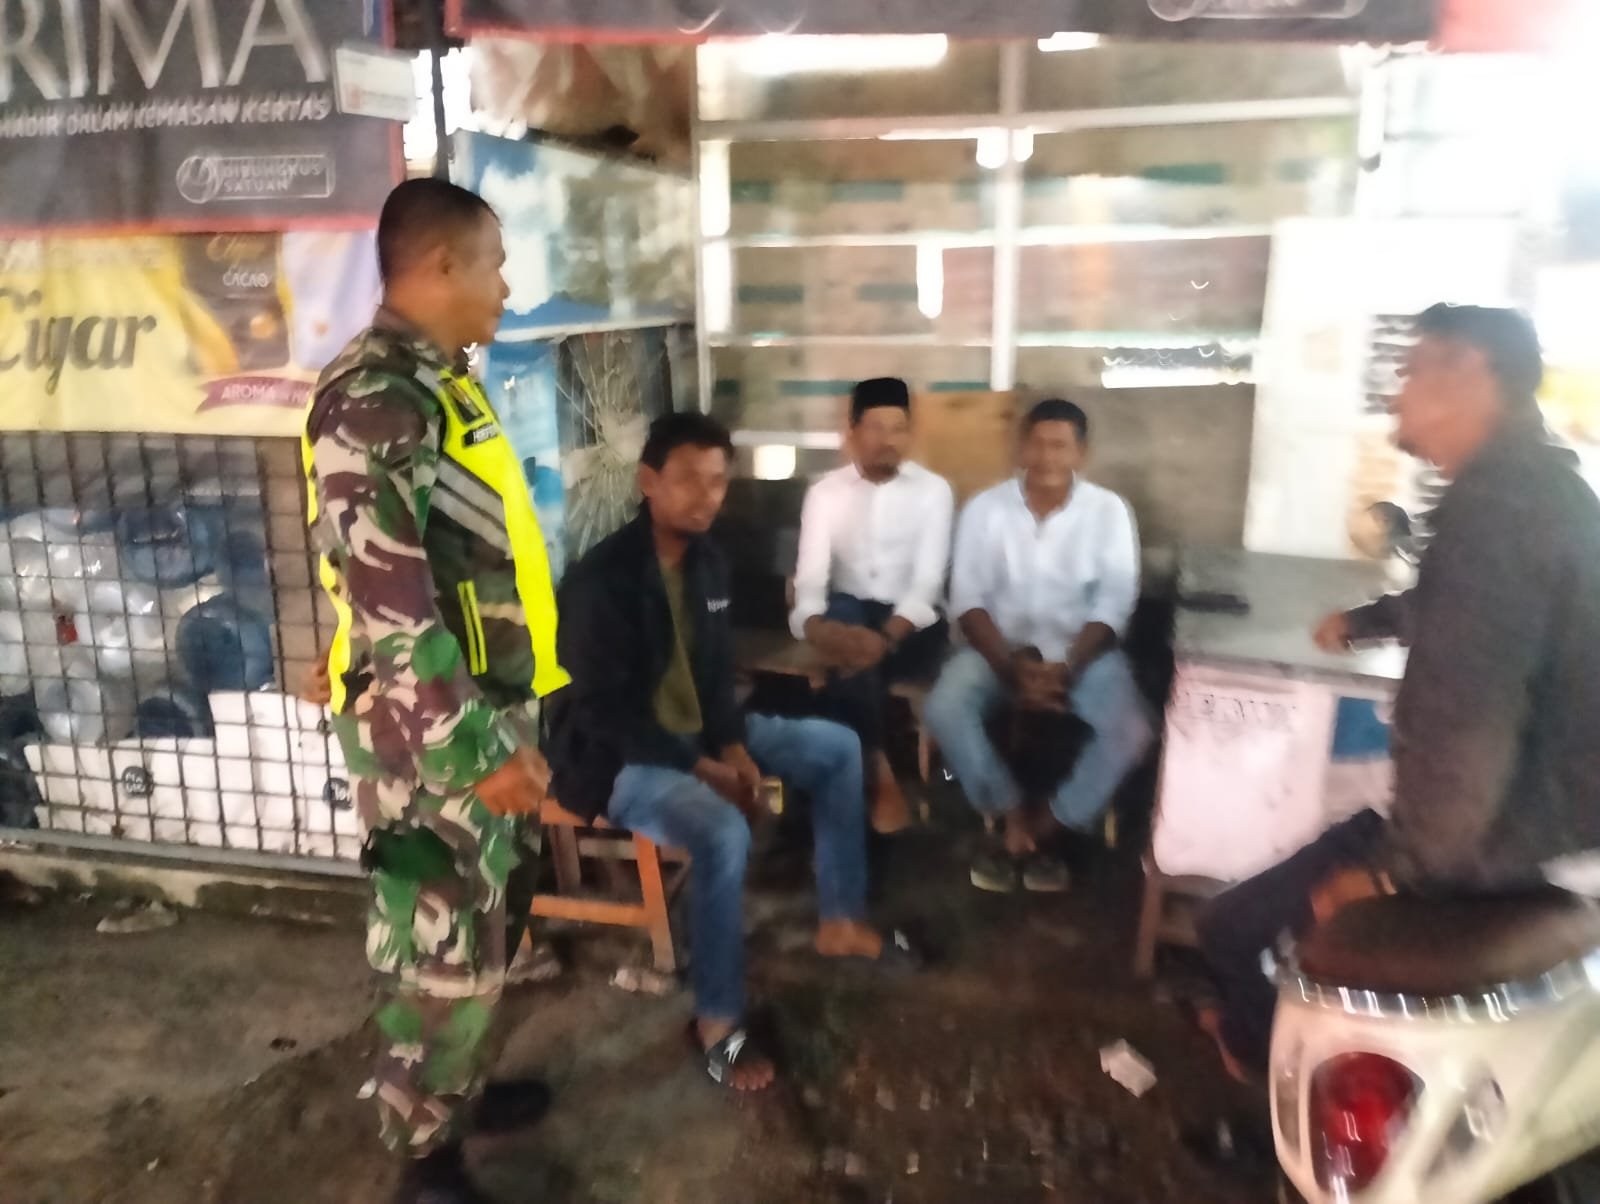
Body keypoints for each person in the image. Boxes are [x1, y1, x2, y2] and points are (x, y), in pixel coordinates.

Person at [1196, 304, 1600, 1083]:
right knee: (1252, 919)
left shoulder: (1500, 515)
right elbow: (1472, 612)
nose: (1394, 394)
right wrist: (1369, 620)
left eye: (1411, 372)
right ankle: (1267, 1044)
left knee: (1233, 928)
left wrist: (1392, 877)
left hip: (1504, 844)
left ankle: (1272, 1068)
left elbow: (1468, 737)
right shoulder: (1539, 495)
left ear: (1469, 373)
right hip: (1530, 825)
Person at [304, 178, 568, 1204]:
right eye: (495, 264)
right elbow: (396, 607)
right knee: (440, 951)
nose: (505, 287)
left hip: (480, 710)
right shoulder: (376, 397)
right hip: (432, 746)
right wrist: (475, 752)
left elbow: (460, 565)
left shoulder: (436, 383)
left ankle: (456, 1091)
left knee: (487, 932)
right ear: (442, 264)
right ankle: (424, 1158)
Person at [547, 412, 916, 1093]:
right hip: (616, 757)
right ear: (648, 481)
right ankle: (717, 1021)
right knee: (722, 831)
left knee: (838, 747)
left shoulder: (709, 562)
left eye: (718, 481)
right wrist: (703, 767)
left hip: (697, 739)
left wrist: (732, 745)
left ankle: (841, 920)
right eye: (689, 479)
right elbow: (603, 711)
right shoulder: (602, 580)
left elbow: (716, 677)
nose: (706, 496)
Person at [924, 398, 1153, 894]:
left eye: (1060, 446)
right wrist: (1010, 670)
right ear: (1021, 449)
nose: (1047, 457)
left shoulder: (1109, 512)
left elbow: (1115, 603)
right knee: (944, 708)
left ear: (1081, 454)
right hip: (997, 652)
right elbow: (967, 599)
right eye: (1038, 444)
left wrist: (1068, 667)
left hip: (1083, 655)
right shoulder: (985, 509)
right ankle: (1009, 812)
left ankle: (1049, 824)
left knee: (1133, 730)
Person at [791, 377, 955, 835]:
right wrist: (815, 627)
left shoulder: (934, 491)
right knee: (844, 623)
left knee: (848, 668)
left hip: (912, 626)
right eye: (876, 428)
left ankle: (860, 779)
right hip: (848, 619)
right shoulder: (825, 493)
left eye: (898, 428)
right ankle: (879, 769)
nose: (888, 440)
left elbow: (926, 586)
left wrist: (883, 639)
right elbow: (810, 581)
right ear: (852, 432)